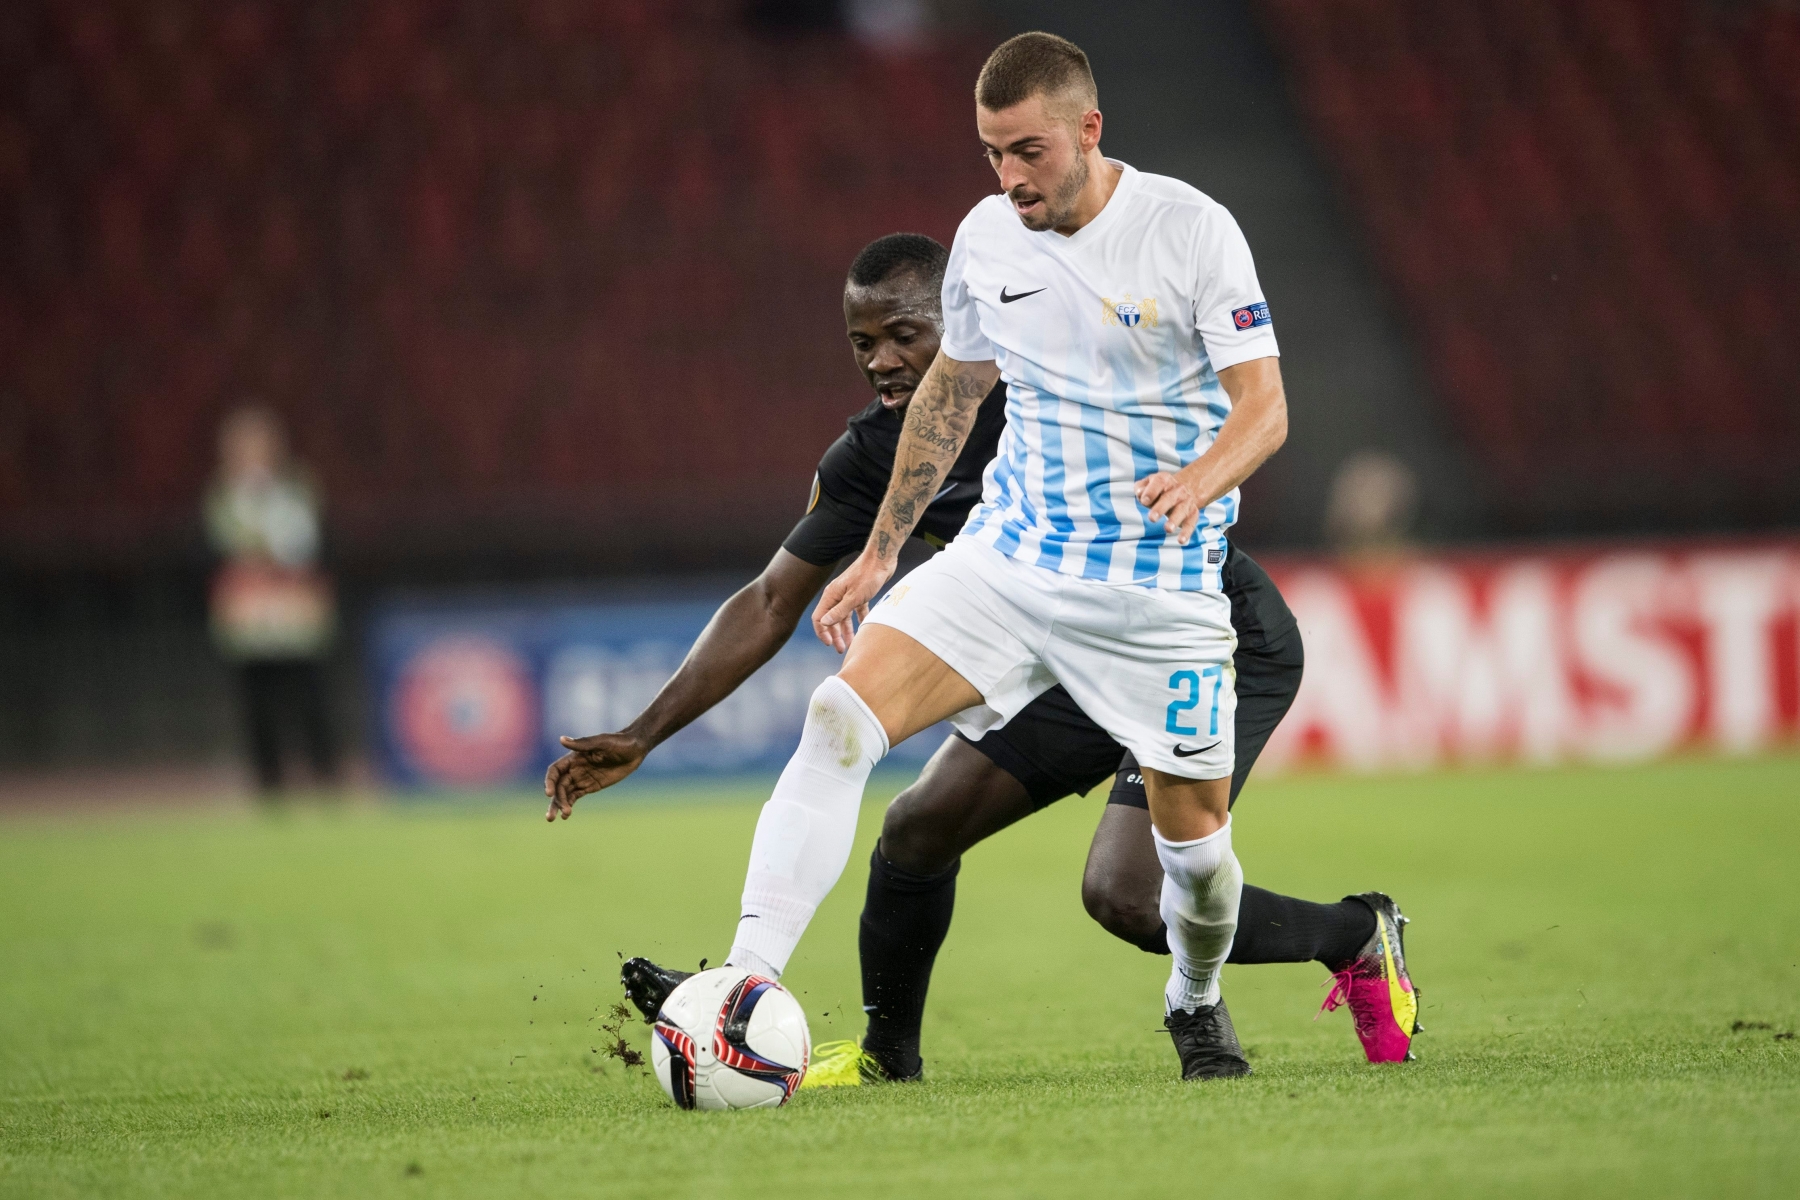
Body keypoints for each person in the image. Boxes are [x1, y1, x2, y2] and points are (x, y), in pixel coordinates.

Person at [546, 224, 1418, 1076]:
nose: (881, 358)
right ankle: (885, 1057)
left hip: (1210, 635)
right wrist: (645, 732)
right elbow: (773, 598)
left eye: (904, 335)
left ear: (962, 322)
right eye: (862, 342)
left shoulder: (1047, 395)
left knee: (1126, 897)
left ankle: (1338, 942)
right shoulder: (871, 459)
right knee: (917, 827)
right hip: (1060, 662)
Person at [204, 406, 339, 796]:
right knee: (258, 702)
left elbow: (318, 544)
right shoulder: (223, 497)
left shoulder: (296, 489)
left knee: (309, 697)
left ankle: (326, 778)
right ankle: (270, 784)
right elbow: (212, 550)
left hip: (295, 611)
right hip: (249, 617)